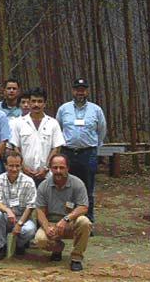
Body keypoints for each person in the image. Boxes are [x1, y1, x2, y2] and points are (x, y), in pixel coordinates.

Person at [56, 78, 106, 224]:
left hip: (88, 153)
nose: (80, 92)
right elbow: (58, 129)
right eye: (77, 89)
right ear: (73, 90)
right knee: (67, 187)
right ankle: (68, 220)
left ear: (87, 91)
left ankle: (88, 220)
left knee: (87, 189)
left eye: (83, 89)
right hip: (68, 153)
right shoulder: (64, 109)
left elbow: (101, 130)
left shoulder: (96, 110)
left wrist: (95, 146)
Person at [34, 154, 91, 271]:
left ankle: (76, 258)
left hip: (70, 222)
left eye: (62, 167)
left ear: (67, 168)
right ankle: (57, 248)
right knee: (40, 239)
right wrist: (46, 228)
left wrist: (66, 219)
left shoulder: (77, 184)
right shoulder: (43, 186)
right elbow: (40, 211)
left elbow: (83, 207)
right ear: (50, 169)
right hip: (51, 223)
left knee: (85, 222)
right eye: (55, 168)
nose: (58, 171)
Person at [10, 87, 65, 186]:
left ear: (45, 104)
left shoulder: (53, 123)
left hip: (46, 175)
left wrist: (46, 168)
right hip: (24, 174)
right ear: (29, 102)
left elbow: (56, 148)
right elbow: (16, 148)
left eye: (40, 101)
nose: (36, 105)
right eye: (33, 101)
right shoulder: (18, 123)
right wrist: (23, 167)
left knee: (46, 201)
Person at [0, 152, 37, 259]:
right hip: (6, 217)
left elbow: (31, 206)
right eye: (11, 166)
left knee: (30, 229)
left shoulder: (29, 182)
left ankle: (19, 245)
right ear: (5, 165)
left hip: (23, 218)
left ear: (21, 166)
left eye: (17, 166)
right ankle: (1, 246)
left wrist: (20, 223)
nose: (14, 169)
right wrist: (8, 211)